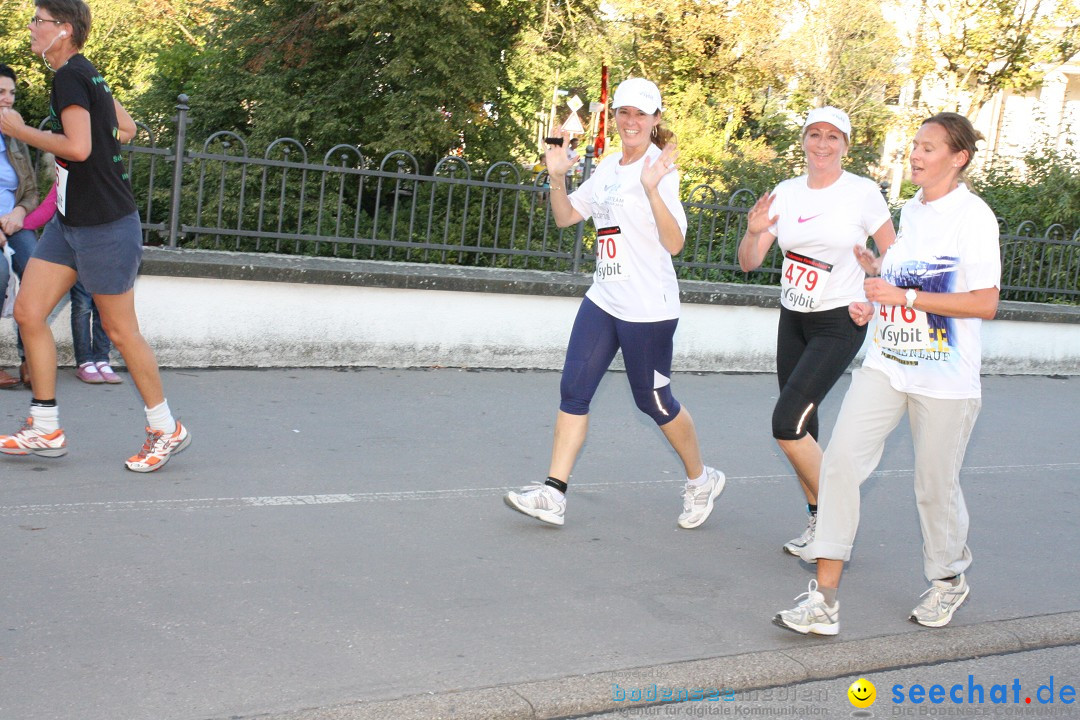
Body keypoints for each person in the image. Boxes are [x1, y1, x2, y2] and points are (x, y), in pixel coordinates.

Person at [773, 112, 1001, 635]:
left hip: (944, 380)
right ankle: (824, 600)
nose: (915, 155)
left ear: (958, 158)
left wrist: (904, 296)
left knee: (933, 486)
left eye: (928, 148)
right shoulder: (913, 210)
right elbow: (902, 280)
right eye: (915, 146)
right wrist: (874, 299)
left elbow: (985, 302)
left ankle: (948, 580)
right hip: (887, 364)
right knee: (839, 466)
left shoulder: (974, 217)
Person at [504, 78, 724, 528]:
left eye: (641, 114)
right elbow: (567, 217)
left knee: (655, 401)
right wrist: (558, 177)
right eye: (624, 112)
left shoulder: (661, 171)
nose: (631, 121)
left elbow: (675, 243)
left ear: (655, 120)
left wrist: (650, 189)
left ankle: (701, 480)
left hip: (648, 309)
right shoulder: (606, 167)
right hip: (603, 299)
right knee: (574, 390)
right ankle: (554, 492)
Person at [0, 0, 191, 471]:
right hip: (70, 223)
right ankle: (46, 428)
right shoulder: (88, 73)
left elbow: (79, 147)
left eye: (38, 21)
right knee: (28, 311)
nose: (31, 27)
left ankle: (166, 428)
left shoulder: (70, 75)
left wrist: (18, 129)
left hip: (105, 225)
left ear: (63, 30)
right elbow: (123, 129)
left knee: (121, 332)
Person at [738, 106, 895, 558]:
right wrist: (753, 232)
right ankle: (819, 521)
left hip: (840, 320)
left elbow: (896, 256)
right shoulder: (786, 193)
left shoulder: (862, 193)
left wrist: (874, 289)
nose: (822, 144)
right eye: (815, 135)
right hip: (795, 319)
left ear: (846, 145)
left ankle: (836, 521)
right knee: (806, 424)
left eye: (833, 137)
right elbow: (750, 261)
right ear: (804, 140)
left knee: (785, 423)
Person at [19, 182, 119, 384]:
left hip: (104, 250)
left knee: (104, 308)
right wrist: (19, 224)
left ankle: (102, 359)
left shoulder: (106, 174)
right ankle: (84, 362)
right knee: (82, 305)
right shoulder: (66, 174)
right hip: (77, 252)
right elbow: (48, 207)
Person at [0, 62, 40, 389]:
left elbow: (31, 190)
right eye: (1, 92)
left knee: (36, 271)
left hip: (15, 223)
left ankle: (29, 360)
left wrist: (19, 213)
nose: (8, 98)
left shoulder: (15, 137)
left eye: (12, 92)